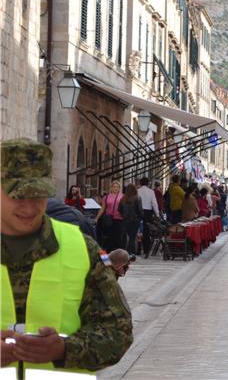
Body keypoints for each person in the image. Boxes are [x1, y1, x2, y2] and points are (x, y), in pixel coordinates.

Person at [0, 138, 133, 374]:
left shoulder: (81, 248)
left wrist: (64, 349)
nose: (30, 208)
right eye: (18, 196)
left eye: (39, 196)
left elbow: (118, 331)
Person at [98, 180, 124, 251]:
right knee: (109, 236)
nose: (115, 188)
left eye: (117, 187)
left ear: (119, 188)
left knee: (118, 236)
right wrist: (97, 218)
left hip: (119, 219)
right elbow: (103, 208)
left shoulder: (122, 196)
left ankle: (119, 253)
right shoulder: (106, 197)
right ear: (111, 187)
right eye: (114, 187)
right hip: (109, 219)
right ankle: (109, 252)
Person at [137, 177, 160, 255]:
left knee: (139, 230)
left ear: (140, 183)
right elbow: (154, 203)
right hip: (148, 213)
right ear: (148, 183)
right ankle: (146, 248)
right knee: (147, 231)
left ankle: (138, 248)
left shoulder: (137, 191)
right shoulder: (151, 192)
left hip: (138, 212)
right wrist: (157, 214)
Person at [120, 184, 143, 256]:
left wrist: (123, 215)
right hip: (135, 220)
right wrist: (140, 217)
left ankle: (124, 251)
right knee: (132, 237)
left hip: (125, 220)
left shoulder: (123, 198)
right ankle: (131, 252)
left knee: (125, 236)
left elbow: (119, 209)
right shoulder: (138, 198)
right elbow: (140, 210)